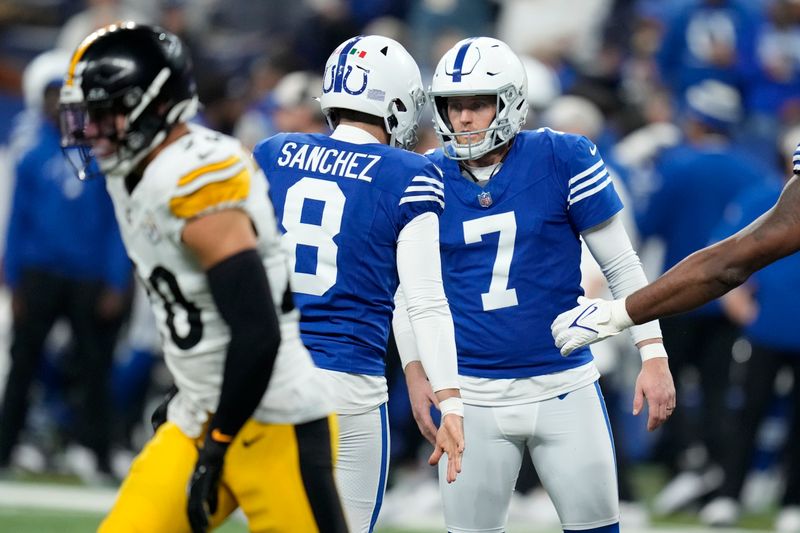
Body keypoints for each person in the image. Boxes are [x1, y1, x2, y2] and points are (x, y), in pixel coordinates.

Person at [58, 22, 346, 533]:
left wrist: (218, 441)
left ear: (155, 104)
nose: (92, 132)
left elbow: (257, 332)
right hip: (202, 412)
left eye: (106, 114)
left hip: (273, 420)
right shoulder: (135, 167)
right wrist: (190, 394)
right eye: (88, 115)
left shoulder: (194, 174)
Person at [393, 36, 675, 533]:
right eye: (452, 106)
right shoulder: (426, 175)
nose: (462, 119)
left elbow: (623, 267)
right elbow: (409, 295)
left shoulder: (562, 157)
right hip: (471, 396)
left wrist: (653, 355)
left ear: (510, 101)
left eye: (477, 105)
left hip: (562, 385)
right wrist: (418, 374)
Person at [252, 34, 465, 533]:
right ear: (395, 106)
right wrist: (450, 399)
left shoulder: (274, 151)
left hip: (271, 374)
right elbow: (425, 301)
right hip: (347, 382)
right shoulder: (409, 173)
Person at [0, 48, 131, 479]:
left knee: (95, 369)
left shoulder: (102, 155)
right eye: (53, 95)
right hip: (39, 275)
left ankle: (96, 451)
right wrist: (12, 277)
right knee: (22, 365)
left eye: (67, 97)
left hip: (88, 277)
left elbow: (117, 223)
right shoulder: (32, 153)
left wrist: (116, 279)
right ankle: (6, 446)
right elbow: (17, 219)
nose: (59, 105)